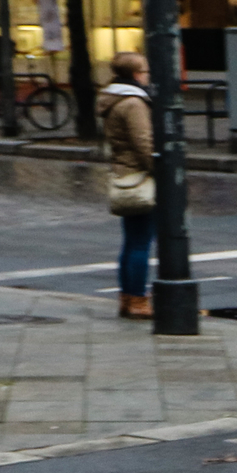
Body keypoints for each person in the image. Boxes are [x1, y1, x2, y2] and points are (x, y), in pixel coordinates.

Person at [99, 51, 157, 318]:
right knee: (140, 243)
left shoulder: (114, 99)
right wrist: (161, 172)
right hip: (139, 176)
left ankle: (127, 297)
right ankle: (137, 300)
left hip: (124, 175)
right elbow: (144, 144)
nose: (147, 75)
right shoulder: (133, 103)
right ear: (135, 74)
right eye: (144, 71)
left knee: (132, 241)